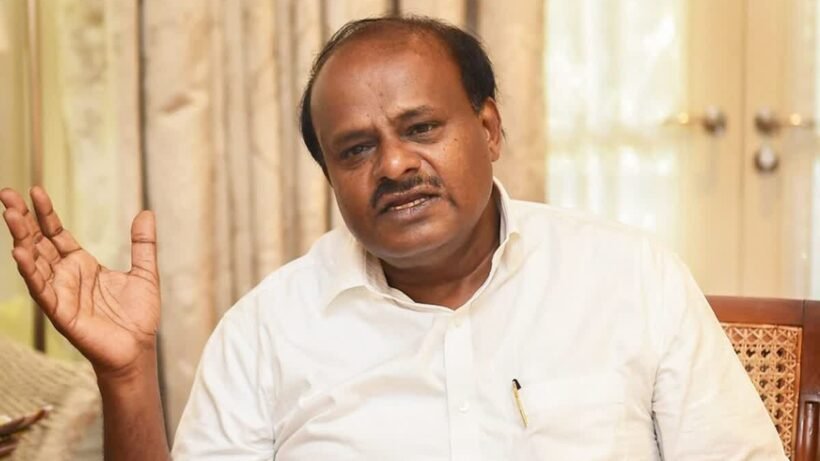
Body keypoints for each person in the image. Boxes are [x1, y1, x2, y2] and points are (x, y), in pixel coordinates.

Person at [0, 16, 786, 460]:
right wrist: (127, 375)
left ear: (489, 128)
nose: (395, 164)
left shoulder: (630, 277)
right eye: (356, 148)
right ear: (332, 176)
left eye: (422, 128)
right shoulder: (265, 331)